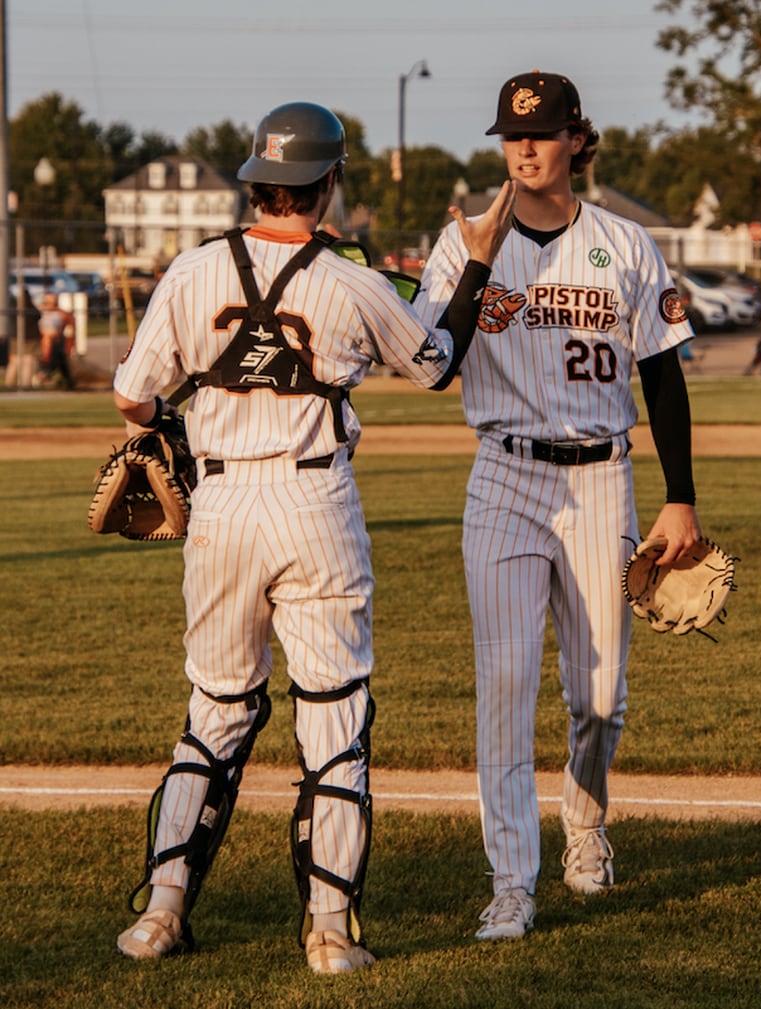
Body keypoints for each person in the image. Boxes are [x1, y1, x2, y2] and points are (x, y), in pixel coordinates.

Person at [112, 101, 515, 973]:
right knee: (334, 718)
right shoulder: (352, 280)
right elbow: (437, 361)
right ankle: (329, 932)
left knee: (215, 712)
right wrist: (477, 262)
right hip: (313, 502)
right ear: (328, 183)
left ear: (258, 177)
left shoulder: (190, 269)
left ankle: (160, 916)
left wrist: (172, 430)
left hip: (219, 509)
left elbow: (132, 397)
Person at [415, 70, 702, 940]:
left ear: (578, 138)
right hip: (503, 475)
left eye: (541, 133)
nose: (524, 149)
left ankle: (586, 827)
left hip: (599, 477)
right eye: (511, 134)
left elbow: (661, 374)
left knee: (602, 695)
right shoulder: (464, 240)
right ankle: (511, 880)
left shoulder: (624, 242)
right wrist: (473, 256)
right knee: (504, 686)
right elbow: (438, 361)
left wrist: (680, 498)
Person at [3, 288, 41, 388]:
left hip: (20, 338)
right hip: (26, 339)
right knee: (25, 362)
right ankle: (23, 384)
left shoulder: (18, 309)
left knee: (19, 362)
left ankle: (12, 384)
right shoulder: (29, 309)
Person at [37, 292, 76, 388]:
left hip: (57, 342)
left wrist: (70, 344)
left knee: (60, 356)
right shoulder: (39, 312)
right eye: (48, 301)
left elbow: (70, 326)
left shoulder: (61, 314)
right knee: (50, 347)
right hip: (42, 342)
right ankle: (46, 374)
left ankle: (66, 380)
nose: (51, 304)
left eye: (54, 302)